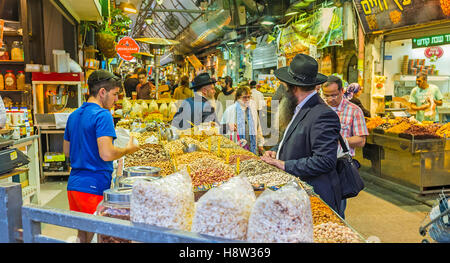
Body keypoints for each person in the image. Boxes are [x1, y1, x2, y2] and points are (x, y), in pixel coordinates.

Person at [63, 70, 139, 243]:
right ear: (102, 92)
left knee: (83, 235)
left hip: (74, 186)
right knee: (102, 236)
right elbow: (106, 154)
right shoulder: (103, 115)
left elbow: (67, 151)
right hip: (93, 186)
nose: (116, 99)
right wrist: (128, 149)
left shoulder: (74, 115)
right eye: (115, 94)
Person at [260, 54, 342, 213]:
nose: (283, 90)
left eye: (284, 86)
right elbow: (290, 136)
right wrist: (276, 151)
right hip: (296, 193)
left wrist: (283, 164)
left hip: (314, 197)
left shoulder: (323, 114)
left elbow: (325, 160)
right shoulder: (297, 108)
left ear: (293, 88)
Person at [322, 76, 369, 218]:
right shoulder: (320, 109)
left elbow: (361, 140)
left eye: (334, 95)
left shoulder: (354, 110)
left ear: (342, 91)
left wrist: (340, 141)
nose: (330, 99)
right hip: (319, 164)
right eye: (327, 96)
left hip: (339, 166)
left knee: (338, 209)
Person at [221, 86, 265, 155]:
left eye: (249, 97)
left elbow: (258, 127)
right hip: (235, 148)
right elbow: (222, 130)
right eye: (244, 97)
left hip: (251, 147)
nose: (247, 99)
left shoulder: (252, 110)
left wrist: (260, 143)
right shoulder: (230, 110)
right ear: (238, 98)